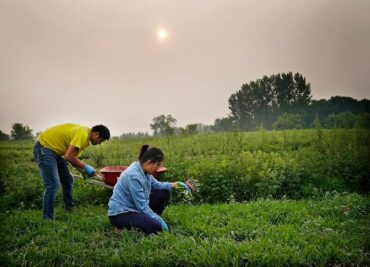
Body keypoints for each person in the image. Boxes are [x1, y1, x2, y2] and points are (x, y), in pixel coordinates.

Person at [33, 123, 110, 219]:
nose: (100, 143)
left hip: (56, 152)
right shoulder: (82, 133)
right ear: (96, 134)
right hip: (44, 148)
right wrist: (86, 167)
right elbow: (69, 156)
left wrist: (84, 171)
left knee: (68, 180)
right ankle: (47, 218)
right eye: (101, 140)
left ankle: (69, 209)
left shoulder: (85, 138)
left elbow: (73, 159)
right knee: (52, 184)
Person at [108, 145, 190, 234]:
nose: (158, 168)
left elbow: (157, 185)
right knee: (157, 228)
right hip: (121, 213)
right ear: (149, 162)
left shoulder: (144, 171)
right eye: (157, 164)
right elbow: (142, 206)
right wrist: (157, 219)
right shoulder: (134, 176)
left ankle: (146, 221)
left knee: (164, 193)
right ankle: (122, 228)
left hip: (135, 207)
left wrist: (174, 185)